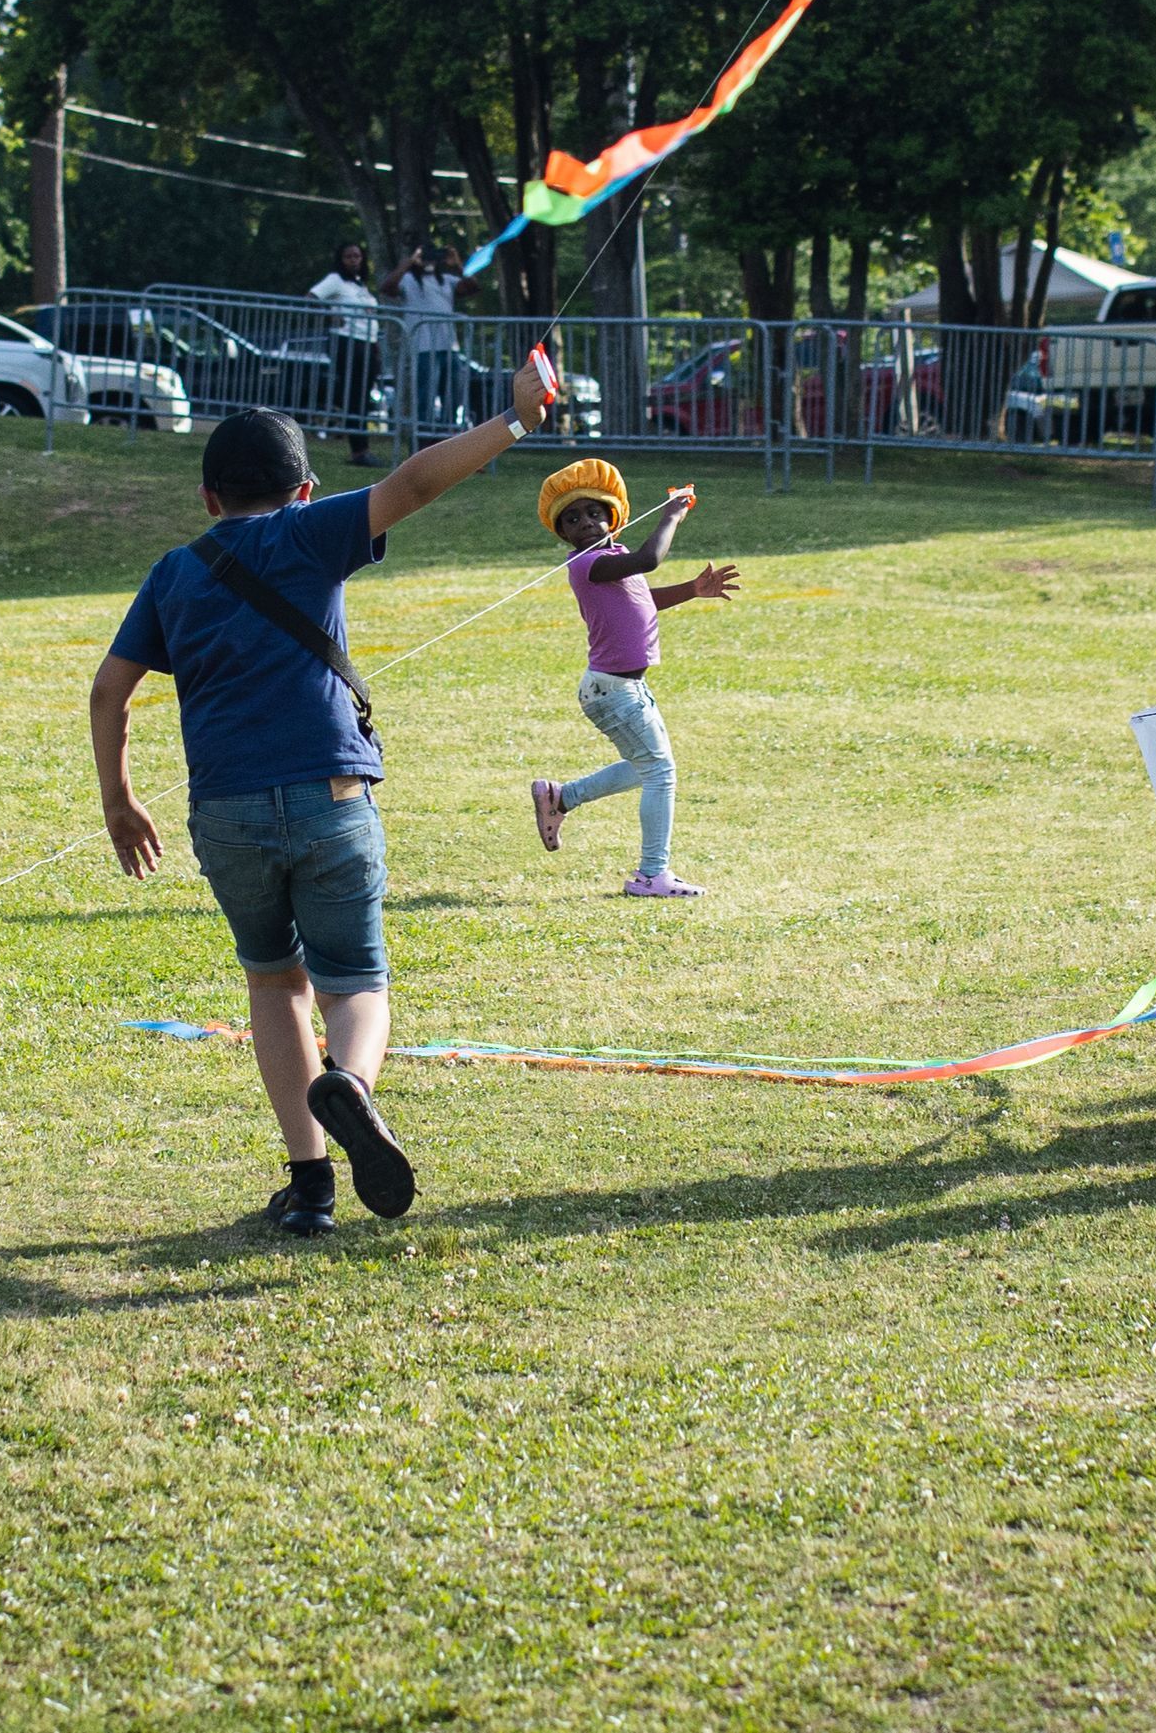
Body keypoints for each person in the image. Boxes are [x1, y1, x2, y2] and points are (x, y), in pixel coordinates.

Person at [90, 359, 553, 1235]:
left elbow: (108, 692)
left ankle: (309, 1187)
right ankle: (351, 1081)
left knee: (274, 981)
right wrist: (516, 421)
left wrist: (119, 799)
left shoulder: (173, 572)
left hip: (223, 812)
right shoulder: (310, 533)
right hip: (331, 793)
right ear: (304, 491)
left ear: (207, 497)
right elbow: (413, 481)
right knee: (357, 984)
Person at [527, 458, 739, 898]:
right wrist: (672, 515)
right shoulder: (585, 565)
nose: (585, 523)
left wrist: (693, 590)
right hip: (612, 690)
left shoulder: (613, 558)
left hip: (625, 688)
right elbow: (651, 559)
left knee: (649, 768)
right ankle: (650, 875)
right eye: (572, 518)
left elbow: (643, 597)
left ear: (614, 518)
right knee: (660, 771)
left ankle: (561, 797)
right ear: (562, 532)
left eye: (594, 513)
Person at [380, 238, 476, 446]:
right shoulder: (408, 280)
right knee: (426, 396)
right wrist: (408, 262)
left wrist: (457, 264)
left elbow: (471, 288)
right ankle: (422, 444)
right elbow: (387, 287)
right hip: (423, 347)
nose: (429, 261)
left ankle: (447, 442)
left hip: (449, 346)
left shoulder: (447, 280)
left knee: (453, 395)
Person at [309, 238, 382, 464]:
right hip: (347, 342)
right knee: (354, 395)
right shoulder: (335, 280)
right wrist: (331, 315)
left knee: (363, 397)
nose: (354, 261)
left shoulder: (360, 285)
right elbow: (311, 297)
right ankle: (358, 450)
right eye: (349, 256)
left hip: (367, 342)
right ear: (341, 260)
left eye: (357, 256)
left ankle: (364, 448)